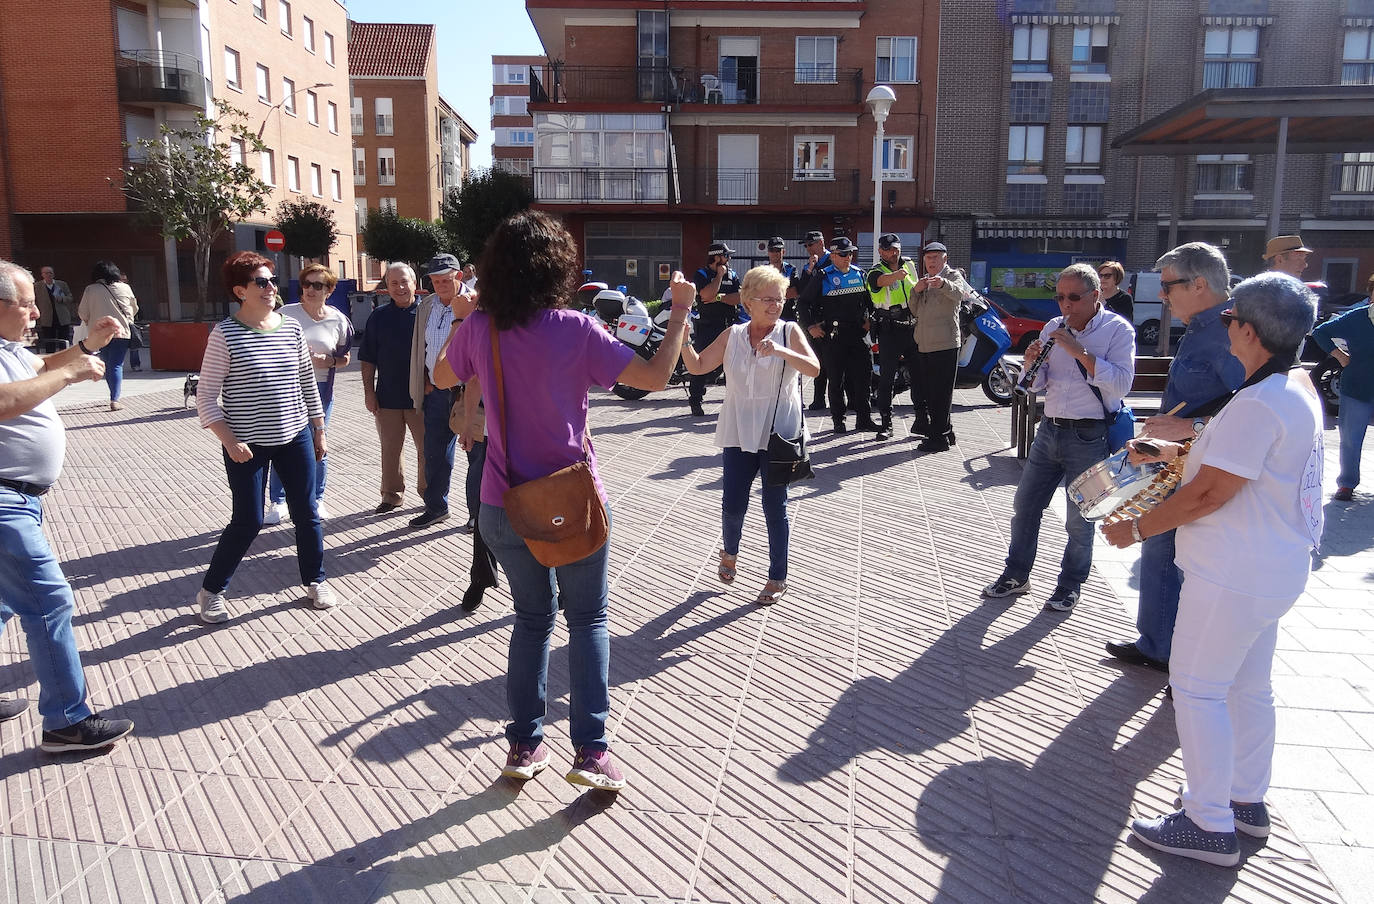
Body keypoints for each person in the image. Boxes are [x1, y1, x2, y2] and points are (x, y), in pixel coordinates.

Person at [445, 210, 693, 791]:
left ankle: (525, 746)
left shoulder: (482, 328)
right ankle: (591, 752)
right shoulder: (576, 329)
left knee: (531, 619)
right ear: (557, 266)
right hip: (570, 502)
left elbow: (439, 374)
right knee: (588, 620)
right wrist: (678, 311)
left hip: (501, 504)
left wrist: (465, 319)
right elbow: (655, 377)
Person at [1103, 274, 1324, 867]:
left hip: (1233, 571)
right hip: (1270, 569)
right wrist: (1178, 452)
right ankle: (1244, 800)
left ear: (1248, 330)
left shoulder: (1258, 401)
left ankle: (1207, 821)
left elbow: (1210, 495)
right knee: (1250, 688)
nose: (1225, 325)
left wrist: (1136, 527)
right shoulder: (1292, 389)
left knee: (1198, 690)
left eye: (1231, 319)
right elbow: (1241, 462)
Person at [0, 259, 136, 752]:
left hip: (18, 499)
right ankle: (65, 721)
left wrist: (85, 348)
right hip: (4, 503)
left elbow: (37, 368)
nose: (37, 311)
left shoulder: (10, 349)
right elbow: (4, 401)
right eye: (26, 303)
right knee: (49, 601)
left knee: (3, 602)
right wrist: (72, 372)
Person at [1104, 242, 1245, 672]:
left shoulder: (1231, 331)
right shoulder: (1204, 326)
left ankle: (1186, 663)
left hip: (1204, 468)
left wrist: (1190, 428)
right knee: (1160, 549)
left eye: (1168, 286)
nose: (1161, 296)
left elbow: (1249, 405)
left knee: (1186, 563)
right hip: (1174, 461)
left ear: (1199, 284)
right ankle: (1156, 646)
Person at [982, 263, 1135, 612]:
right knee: (1025, 507)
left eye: (1074, 298)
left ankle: (1069, 585)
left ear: (1095, 296)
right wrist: (1030, 364)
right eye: (1060, 297)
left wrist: (1079, 351)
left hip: (1089, 434)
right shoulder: (1053, 326)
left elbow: (1121, 384)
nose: (1065, 305)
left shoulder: (1117, 330)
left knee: (1079, 520)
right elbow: (1033, 386)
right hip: (1049, 430)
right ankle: (1017, 574)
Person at [193, 252, 330, 625]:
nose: (271, 288)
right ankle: (212, 591)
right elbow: (206, 396)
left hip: (294, 435)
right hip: (246, 445)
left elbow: (306, 382)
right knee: (248, 519)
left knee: (307, 512)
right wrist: (229, 440)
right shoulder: (225, 334)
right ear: (240, 291)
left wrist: (318, 428)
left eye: (272, 280)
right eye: (261, 282)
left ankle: (315, 580)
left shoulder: (290, 328)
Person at [680, 266, 820, 605]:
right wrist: (683, 339)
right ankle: (729, 553)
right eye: (768, 299)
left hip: (777, 433)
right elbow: (698, 365)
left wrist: (782, 351)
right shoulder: (733, 335)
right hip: (738, 428)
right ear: (748, 302)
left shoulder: (789, 331)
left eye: (780, 298)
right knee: (732, 504)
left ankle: (777, 577)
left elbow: (813, 368)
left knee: (775, 506)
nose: (776, 305)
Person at [264, 264, 353, 525]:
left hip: (321, 390)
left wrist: (329, 361)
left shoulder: (338, 319)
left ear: (329, 290)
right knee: (282, 445)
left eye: (318, 285)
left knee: (318, 445)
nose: (311, 290)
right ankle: (278, 502)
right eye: (306, 284)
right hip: (287, 392)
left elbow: (345, 357)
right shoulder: (284, 315)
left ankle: (317, 499)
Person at [409, 253, 473, 529]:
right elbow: (420, 348)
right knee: (434, 453)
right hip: (435, 391)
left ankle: (477, 515)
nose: (439, 285)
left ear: (459, 276)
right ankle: (436, 507)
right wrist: (425, 380)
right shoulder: (427, 306)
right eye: (434, 280)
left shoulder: (476, 304)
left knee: (477, 456)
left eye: (444, 280)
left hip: (468, 393)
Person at [360, 263, 426, 514]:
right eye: (393, 283)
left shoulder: (426, 315)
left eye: (404, 282)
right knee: (390, 448)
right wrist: (369, 391)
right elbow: (367, 358)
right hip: (387, 397)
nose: (399, 287)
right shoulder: (379, 317)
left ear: (414, 284)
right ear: (387, 288)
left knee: (426, 450)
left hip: (421, 397)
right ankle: (391, 495)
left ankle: (429, 495)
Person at [797, 236, 877, 434]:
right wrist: (810, 326)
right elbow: (803, 303)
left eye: (850, 253)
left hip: (858, 334)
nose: (848, 257)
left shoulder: (860, 274)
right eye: (843, 254)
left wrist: (871, 320)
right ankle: (838, 421)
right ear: (832, 256)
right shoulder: (823, 276)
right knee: (836, 380)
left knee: (863, 378)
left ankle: (864, 419)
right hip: (834, 335)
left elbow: (871, 302)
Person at [1311, 276, 1374, 502]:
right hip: (1356, 388)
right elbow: (1320, 332)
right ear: (1371, 296)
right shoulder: (1357, 318)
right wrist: (1340, 356)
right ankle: (1347, 484)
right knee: (1351, 438)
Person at [907, 241, 967, 451]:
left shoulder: (952, 276)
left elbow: (961, 294)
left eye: (935, 257)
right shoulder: (924, 280)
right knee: (930, 392)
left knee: (940, 394)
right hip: (924, 343)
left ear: (944, 259)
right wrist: (916, 290)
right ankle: (946, 431)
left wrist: (942, 284)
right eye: (927, 257)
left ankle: (938, 439)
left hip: (945, 344)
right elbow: (914, 310)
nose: (930, 261)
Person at [867, 233, 919, 441]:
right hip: (889, 329)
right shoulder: (875, 271)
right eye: (888, 249)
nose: (893, 252)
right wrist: (896, 276)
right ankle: (886, 423)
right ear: (880, 251)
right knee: (887, 378)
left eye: (895, 248)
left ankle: (922, 419)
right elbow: (879, 282)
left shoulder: (909, 264)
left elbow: (915, 287)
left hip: (912, 327)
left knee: (918, 375)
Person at [688, 241, 742, 417]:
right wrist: (718, 277)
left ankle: (734, 403)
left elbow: (739, 298)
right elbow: (705, 295)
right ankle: (696, 401)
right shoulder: (702, 274)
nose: (729, 258)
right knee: (701, 363)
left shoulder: (733, 275)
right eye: (726, 255)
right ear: (717, 257)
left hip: (728, 325)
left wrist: (718, 297)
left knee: (732, 366)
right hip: (707, 326)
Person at [77, 261, 138, 411]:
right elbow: (134, 308)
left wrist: (91, 321)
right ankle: (115, 398)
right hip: (121, 331)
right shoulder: (125, 287)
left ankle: (113, 395)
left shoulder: (90, 290)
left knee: (107, 363)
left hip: (99, 333)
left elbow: (83, 312)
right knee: (116, 365)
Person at [795, 230, 831, 410]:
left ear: (821, 243)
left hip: (832, 316)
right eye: (807, 246)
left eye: (811, 244)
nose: (809, 248)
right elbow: (802, 291)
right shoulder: (807, 266)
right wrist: (810, 269)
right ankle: (818, 399)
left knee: (835, 362)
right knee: (819, 360)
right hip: (815, 318)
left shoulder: (834, 259)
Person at [34, 266, 75, 348]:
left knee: (63, 342)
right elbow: (35, 301)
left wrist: (62, 298)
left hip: (62, 317)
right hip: (47, 318)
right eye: (46, 273)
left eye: (50, 273)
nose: (48, 275)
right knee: (49, 342)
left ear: (53, 274)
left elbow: (70, 297)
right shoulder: (37, 286)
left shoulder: (61, 284)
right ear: (42, 275)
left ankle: (64, 358)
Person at [766, 237, 799, 321]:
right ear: (768, 252)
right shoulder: (762, 271)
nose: (774, 253)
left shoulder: (791, 269)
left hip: (788, 314)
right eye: (771, 250)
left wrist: (770, 295)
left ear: (783, 252)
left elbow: (794, 292)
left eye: (777, 250)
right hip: (767, 314)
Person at [1098, 261, 1133, 325]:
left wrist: (1104, 304)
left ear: (1117, 277)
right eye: (1100, 276)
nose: (1102, 279)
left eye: (1107, 276)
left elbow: (1124, 322)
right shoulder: (1094, 295)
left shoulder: (1124, 298)